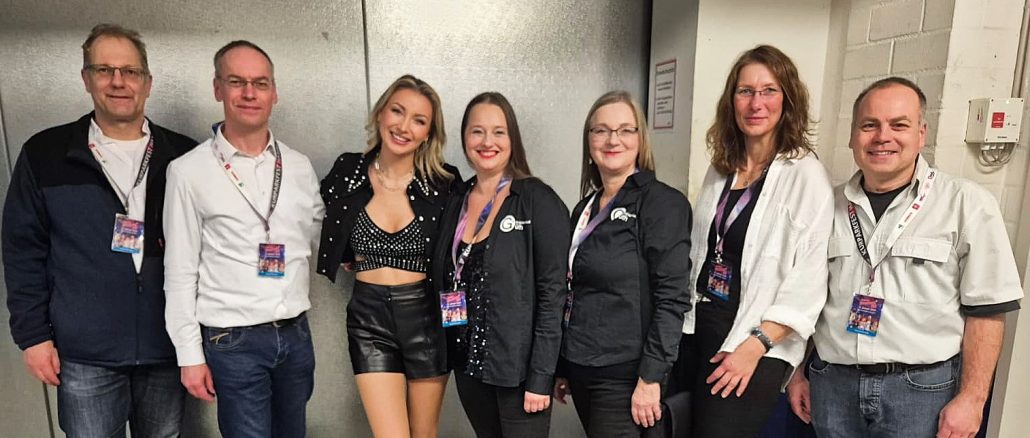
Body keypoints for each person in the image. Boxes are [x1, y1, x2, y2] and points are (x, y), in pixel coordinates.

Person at [786, 77, 1024, 438]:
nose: (883, 137)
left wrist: (973, 399)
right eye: (869, 125)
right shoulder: (825, 206)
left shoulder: (966, 204)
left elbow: (987, 311)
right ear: (852, 136)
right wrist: (796, 373)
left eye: (899, 125)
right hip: (832, 385)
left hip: (921, 392)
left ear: (921, 134)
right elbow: (805, 298)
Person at [2, 23, 195, 437]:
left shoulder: (183, 156)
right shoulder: (46, 154)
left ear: (147, 83)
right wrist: (33, 337)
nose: (118, 82)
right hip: (85, 354)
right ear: (86, 78)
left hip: (167, 347)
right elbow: (22, 251)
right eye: (105, 70)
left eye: (130, 71)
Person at [163, 40, 324, 437]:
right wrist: (189, 355)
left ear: (274, 93)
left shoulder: (298, 166)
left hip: (295, 335)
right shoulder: (188, 172)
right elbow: (179, 270)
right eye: (237, 82)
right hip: (233, 341)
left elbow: (321, 235)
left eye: (260, 83)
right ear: (218, 88)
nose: (250, 93)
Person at [675, 45, 834, 438]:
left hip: (754, 341)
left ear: (787, 99)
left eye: (769, 91)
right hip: (701, 326)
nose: (755, 103)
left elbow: (809, 279)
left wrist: (755, 345)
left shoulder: (805, 174)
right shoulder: (721, 168)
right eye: (745, 91)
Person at [316, 75, 461, 438]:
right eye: (397, 111)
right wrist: (344, 252)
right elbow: (320, 216)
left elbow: (464, 248)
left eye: (419, 120)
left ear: (428, 134)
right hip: (369, 318)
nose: (404, 126)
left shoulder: (444, 182)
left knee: (423, 434)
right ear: (381, 113)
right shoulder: (348, 171)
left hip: (427, 316)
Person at [430, 92, 570, 437]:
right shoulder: (457, 199)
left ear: (513, 139)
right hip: (468, 367)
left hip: (518, 373)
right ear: (464, 138)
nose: (487, 142)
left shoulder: (537, 200)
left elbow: (553, 296)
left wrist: (541, 377)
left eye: (498, 132)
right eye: (477, 131)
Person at [554, 90, 691, 437]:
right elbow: (575, 288)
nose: (612, 140)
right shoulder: (584, 208)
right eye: (601, 130)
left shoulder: (662, 204)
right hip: (582, 365)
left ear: (641, 139)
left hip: (626, 374)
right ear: (589, 141)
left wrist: (651, 377)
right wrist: (563, 365)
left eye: (626, 130)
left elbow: (672, 298)